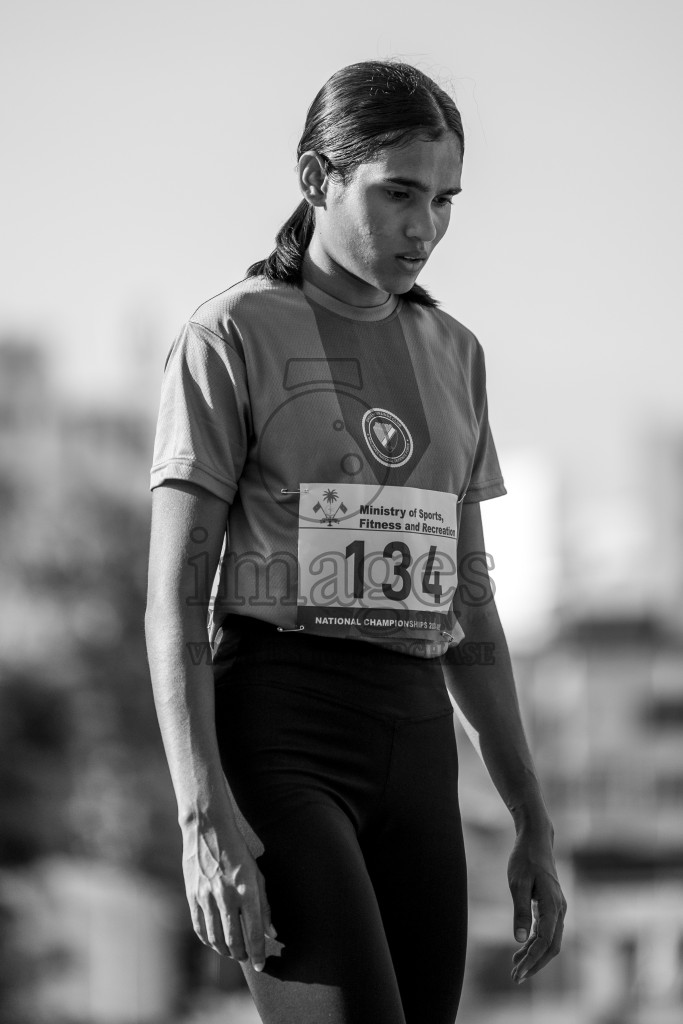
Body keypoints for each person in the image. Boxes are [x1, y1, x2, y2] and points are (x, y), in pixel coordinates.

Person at [145, 59, 566, 1024]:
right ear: (316, 177)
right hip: (280, 728)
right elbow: (172, 598)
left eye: (445, 200)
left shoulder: (455, 352)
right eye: (398, 194)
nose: (424, 228)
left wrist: (532, 820)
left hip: (416, 738)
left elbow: (472, 614)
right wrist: (200, 815)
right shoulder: (230, 336)